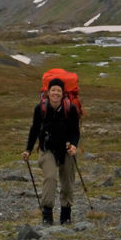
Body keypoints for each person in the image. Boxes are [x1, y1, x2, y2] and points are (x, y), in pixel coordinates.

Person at [22, 77, 80, 224]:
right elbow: (34, 129)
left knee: (67, 181)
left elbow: (75, 131)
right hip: (46, 149)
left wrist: (74, 145)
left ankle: (65, 215)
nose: (56, 93)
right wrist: (28, 149)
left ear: (63, 93)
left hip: (66, 150)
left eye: (58, 90)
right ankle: (47, 216)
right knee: (50, 178)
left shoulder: (70, 109)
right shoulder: (40, 108)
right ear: (48, 92)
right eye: (53, 90)